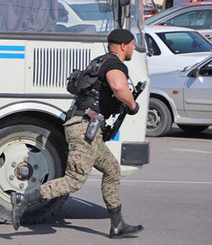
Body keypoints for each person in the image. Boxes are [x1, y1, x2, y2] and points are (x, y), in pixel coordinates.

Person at [11, 29, 144, 239]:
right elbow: (119, 88)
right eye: (133, 44)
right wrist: (132, 104)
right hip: (85, 127)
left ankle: (117, 224)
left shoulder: (98, 62)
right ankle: (24, 199)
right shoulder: (114, 64)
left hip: (85, 126)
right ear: (123, 46)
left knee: (112, 170)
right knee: (75, 179)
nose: (134, 48)